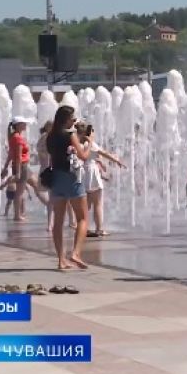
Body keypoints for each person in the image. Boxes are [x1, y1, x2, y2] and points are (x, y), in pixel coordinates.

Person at [45, 106, 92, 270]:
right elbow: (83, 156)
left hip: (56, 179)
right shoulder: (70, 135)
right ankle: (76, 253)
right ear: (66, 120)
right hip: (71, 178)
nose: (74, 120)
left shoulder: (50, 136)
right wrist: (89, 143)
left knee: (58, 221)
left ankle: (61, 260)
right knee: (82, 218)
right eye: (73, 118)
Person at [78, 123, 125, 238]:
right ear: (89, 133)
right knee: (98, 204)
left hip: (83, 173)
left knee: (86, 205)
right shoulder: (90, 144)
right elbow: (103, 153)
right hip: (92, 173)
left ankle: (84, 228)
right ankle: (99, 229)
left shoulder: (78, 144)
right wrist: (117, 161)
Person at [2, 116, 33, 221]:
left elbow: (11, 154)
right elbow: (18, 156)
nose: (26, 125)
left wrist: (5, 167)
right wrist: (18, 172)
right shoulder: (18, 138)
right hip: (22, 166)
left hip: (20, 166)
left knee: (33, 186)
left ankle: (18, 214)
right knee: (19, 192)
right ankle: (17, 215)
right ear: (18, 125)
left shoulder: (13, 137)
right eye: (24, 123)